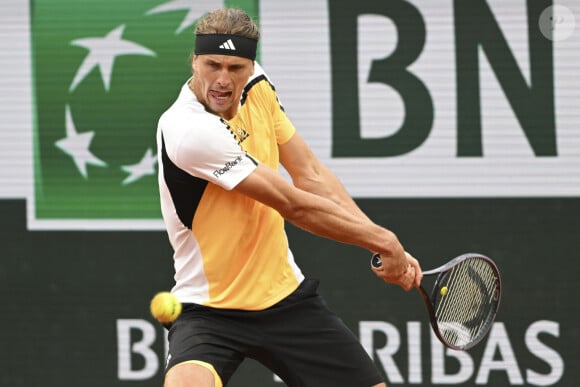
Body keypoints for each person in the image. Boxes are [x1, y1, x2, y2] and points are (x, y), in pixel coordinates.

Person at [156, 7, 422, 387]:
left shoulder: (258, 86)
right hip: (207, 310)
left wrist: (380, 241)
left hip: (284, 299)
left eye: (235, 68)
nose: (222, 80)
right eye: (212, 64)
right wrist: (385, 241)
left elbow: (309, 174)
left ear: (251, 66)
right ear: (194, 61)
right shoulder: (187, 129)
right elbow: (291, 203)